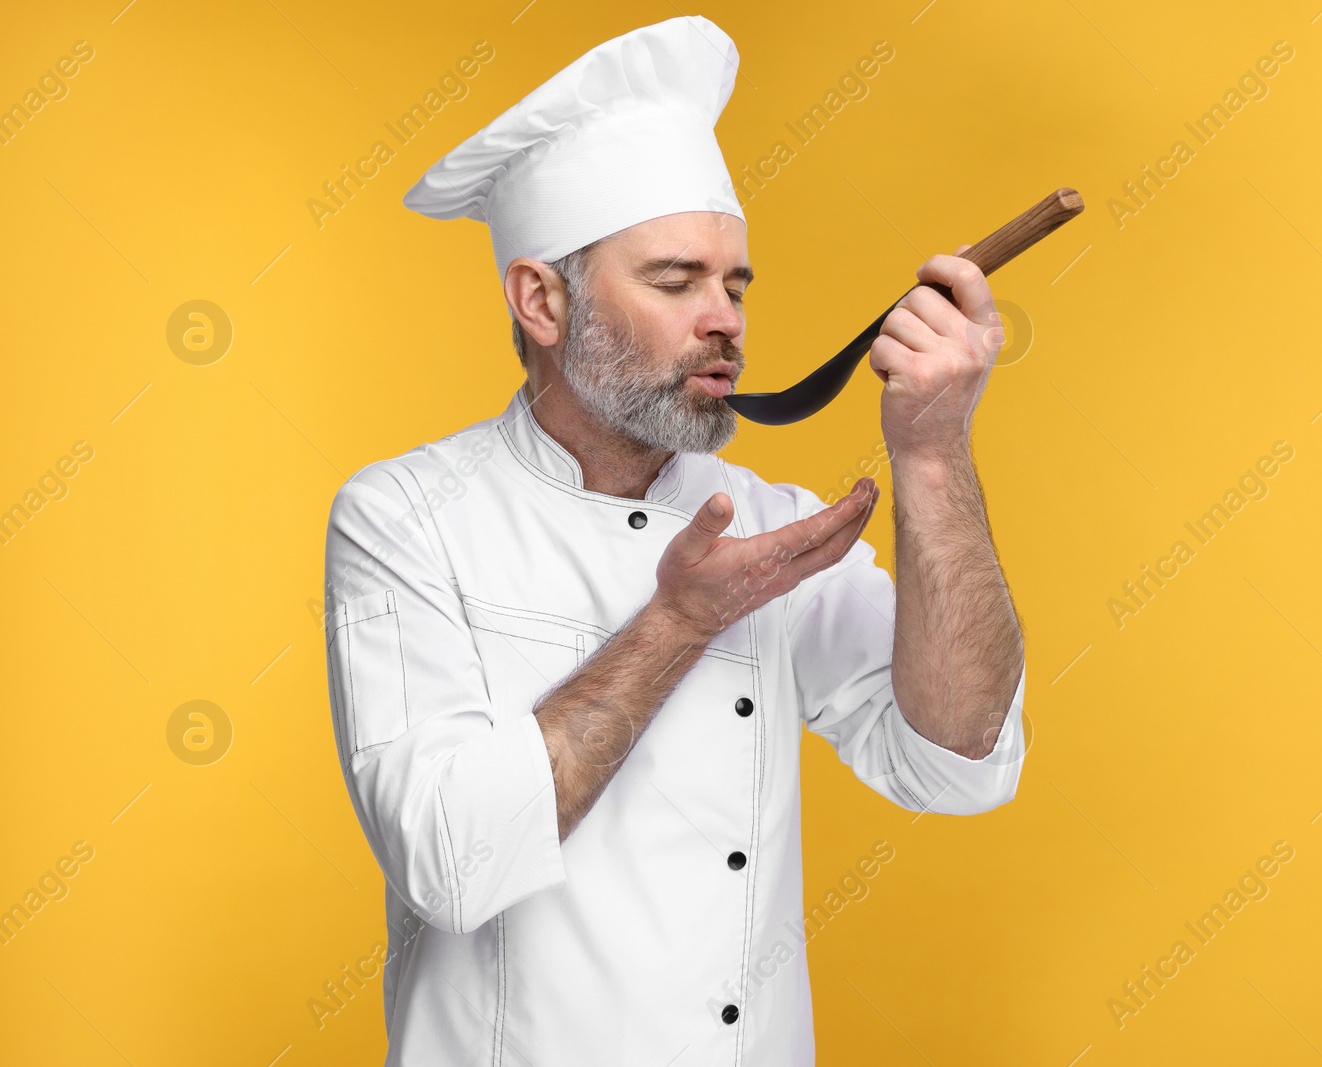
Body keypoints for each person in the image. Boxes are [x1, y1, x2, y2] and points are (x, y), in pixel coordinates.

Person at [322, 14, 1027, 1065]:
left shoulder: (776, 523)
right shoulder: (406, 515)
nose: (726, 319)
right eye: (674, 280)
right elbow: (449, 861)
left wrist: (930, 458)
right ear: (542, 300)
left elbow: (960, 758)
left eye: (735, 284)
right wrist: (679, 618)